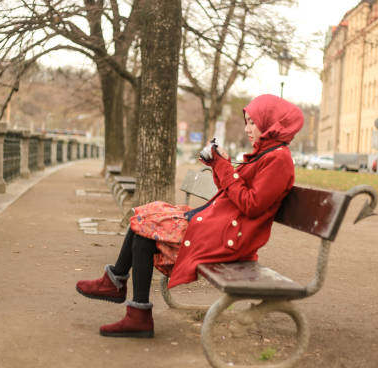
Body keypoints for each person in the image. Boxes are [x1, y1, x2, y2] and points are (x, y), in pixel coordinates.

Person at [75, 94, 304, 338]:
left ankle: (132, 306)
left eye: (253, 122)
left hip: (228, 236)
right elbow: (234, 191)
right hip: (218, 223)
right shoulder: (266, 153)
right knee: (145, 215)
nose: (248, 128)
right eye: (246, 122)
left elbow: (252, 204)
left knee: (145, 227)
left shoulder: (278, 158)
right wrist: (219, 163)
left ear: (271, 122)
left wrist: (224, 166)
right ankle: (121, 290)